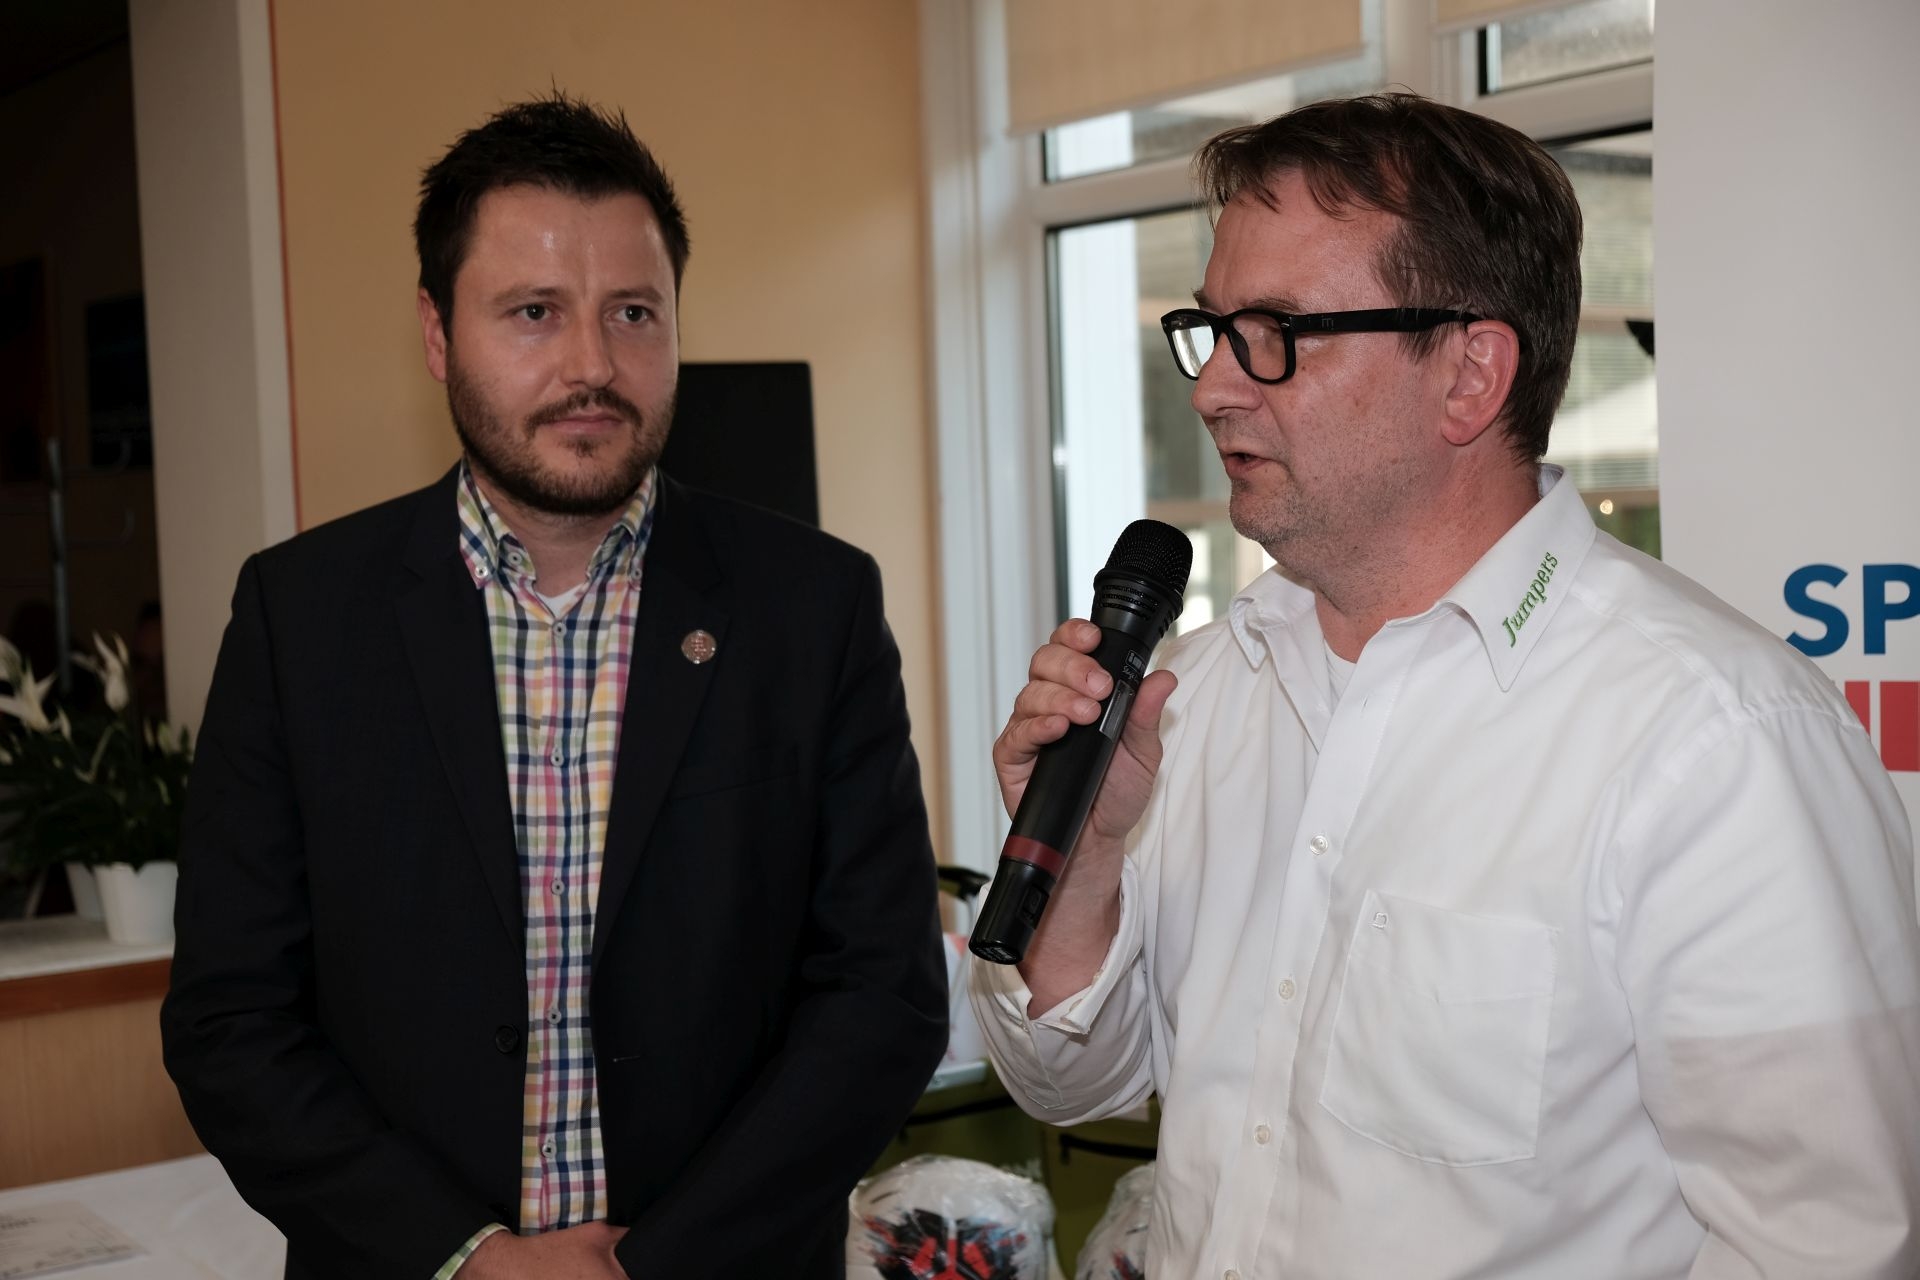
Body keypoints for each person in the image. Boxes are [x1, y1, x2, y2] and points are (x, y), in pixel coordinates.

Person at [973, 93, 1920, 1278]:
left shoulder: (1716, 738)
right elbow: (1072, 1082)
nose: (1213, 386)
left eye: (1273, 330)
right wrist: (1086, 862)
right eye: (1210, 328)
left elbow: (1829, 1246)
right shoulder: (1196, 692)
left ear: (1471, 375)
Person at [162, 93, 948, 1280]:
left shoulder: (814, 607)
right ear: (437, 333)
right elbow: (231, 1020)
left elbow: (882, 997)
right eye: (534, 312)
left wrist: (655, 1264)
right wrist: (470, 1256)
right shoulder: (300, 618)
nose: (593, 365)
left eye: (633, 312)